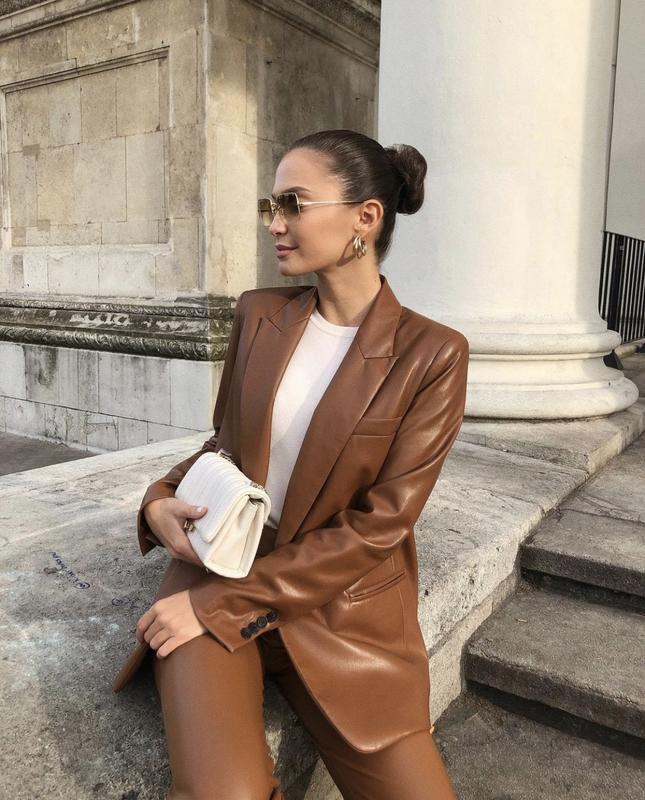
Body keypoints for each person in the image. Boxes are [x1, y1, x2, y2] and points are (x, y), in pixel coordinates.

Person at [119, 129, 469, 799]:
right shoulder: (261, 314)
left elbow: (379, 527)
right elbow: (225, 446)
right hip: (222, 559)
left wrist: (224, 604)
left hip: (344, 610)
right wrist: (159, 496)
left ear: (365, 217)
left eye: (293, 204)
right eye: (270, 206)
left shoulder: (433, 354)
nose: (275, 224)